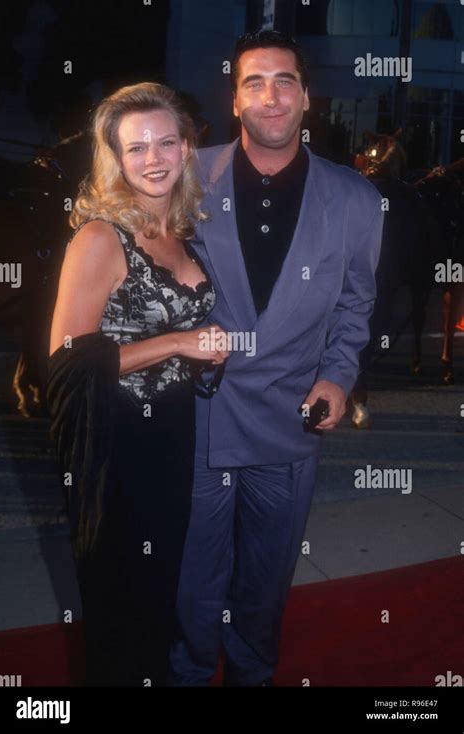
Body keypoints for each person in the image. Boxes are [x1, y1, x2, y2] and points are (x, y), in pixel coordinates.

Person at [169, 31, 384, 686]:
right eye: (253, 82)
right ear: (234, 100)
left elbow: (355, 306)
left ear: (307, 99)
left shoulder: (355, 199)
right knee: (190, 583)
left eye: (284, 81)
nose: (270, 95)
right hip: (199, 416)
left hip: (291, 422)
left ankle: (253, 678)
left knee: (264, 583)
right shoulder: (183, 177)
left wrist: (338, 376)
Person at [46, 82, 228, 686]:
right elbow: (67, 361)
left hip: (174, 436)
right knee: (121, 603)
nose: (154, 158)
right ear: (117, 160)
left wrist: (203, 356)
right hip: (117, 445)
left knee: (161, 596)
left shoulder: (181, 229)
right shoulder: (100, 237)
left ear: (186, 149)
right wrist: (178, 343)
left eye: (166, 142)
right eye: (136, 148)